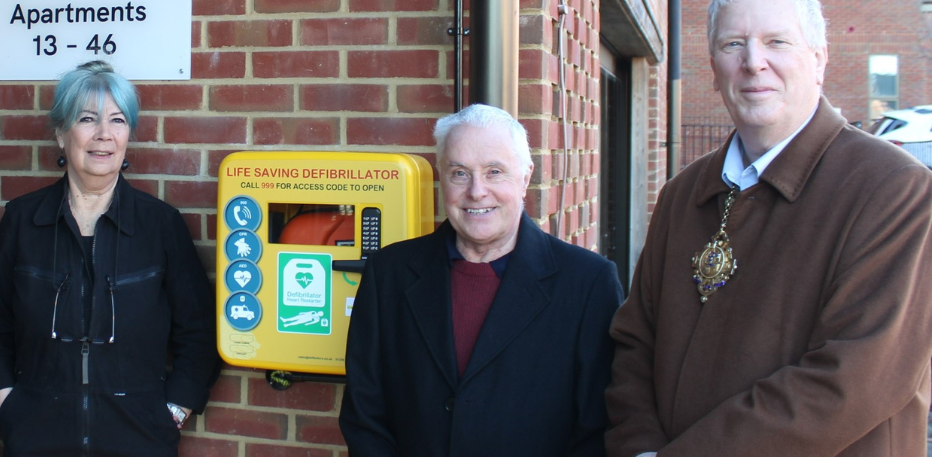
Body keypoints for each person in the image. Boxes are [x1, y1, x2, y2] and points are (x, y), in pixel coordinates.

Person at [605, 0, 932, 455]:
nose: (753, 62)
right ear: (715, 67)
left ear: (819, 59)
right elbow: (635, 343)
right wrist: (638, 445)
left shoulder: (893, 189)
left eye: (776, 42)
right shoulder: (683, 194)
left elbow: (852, 380)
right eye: (733, 44)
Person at [339, 103, 624, 456]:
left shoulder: (588, 283)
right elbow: (365, 413)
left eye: (494, 172)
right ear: (443, 177)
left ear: (525, 176)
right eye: (459, 173)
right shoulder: (389, 273)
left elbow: (599, 428)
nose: (476, 191)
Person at [0, 60, 221, 456]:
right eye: (87, 119)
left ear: (129, 135)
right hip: (36, 438)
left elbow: (200, 332)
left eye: (118, 121)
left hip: (139, 440)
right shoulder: (23, 220)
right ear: (61, 133)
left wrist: (170, 414)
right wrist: (9, 406)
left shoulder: (160, 225)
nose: (104, 135)